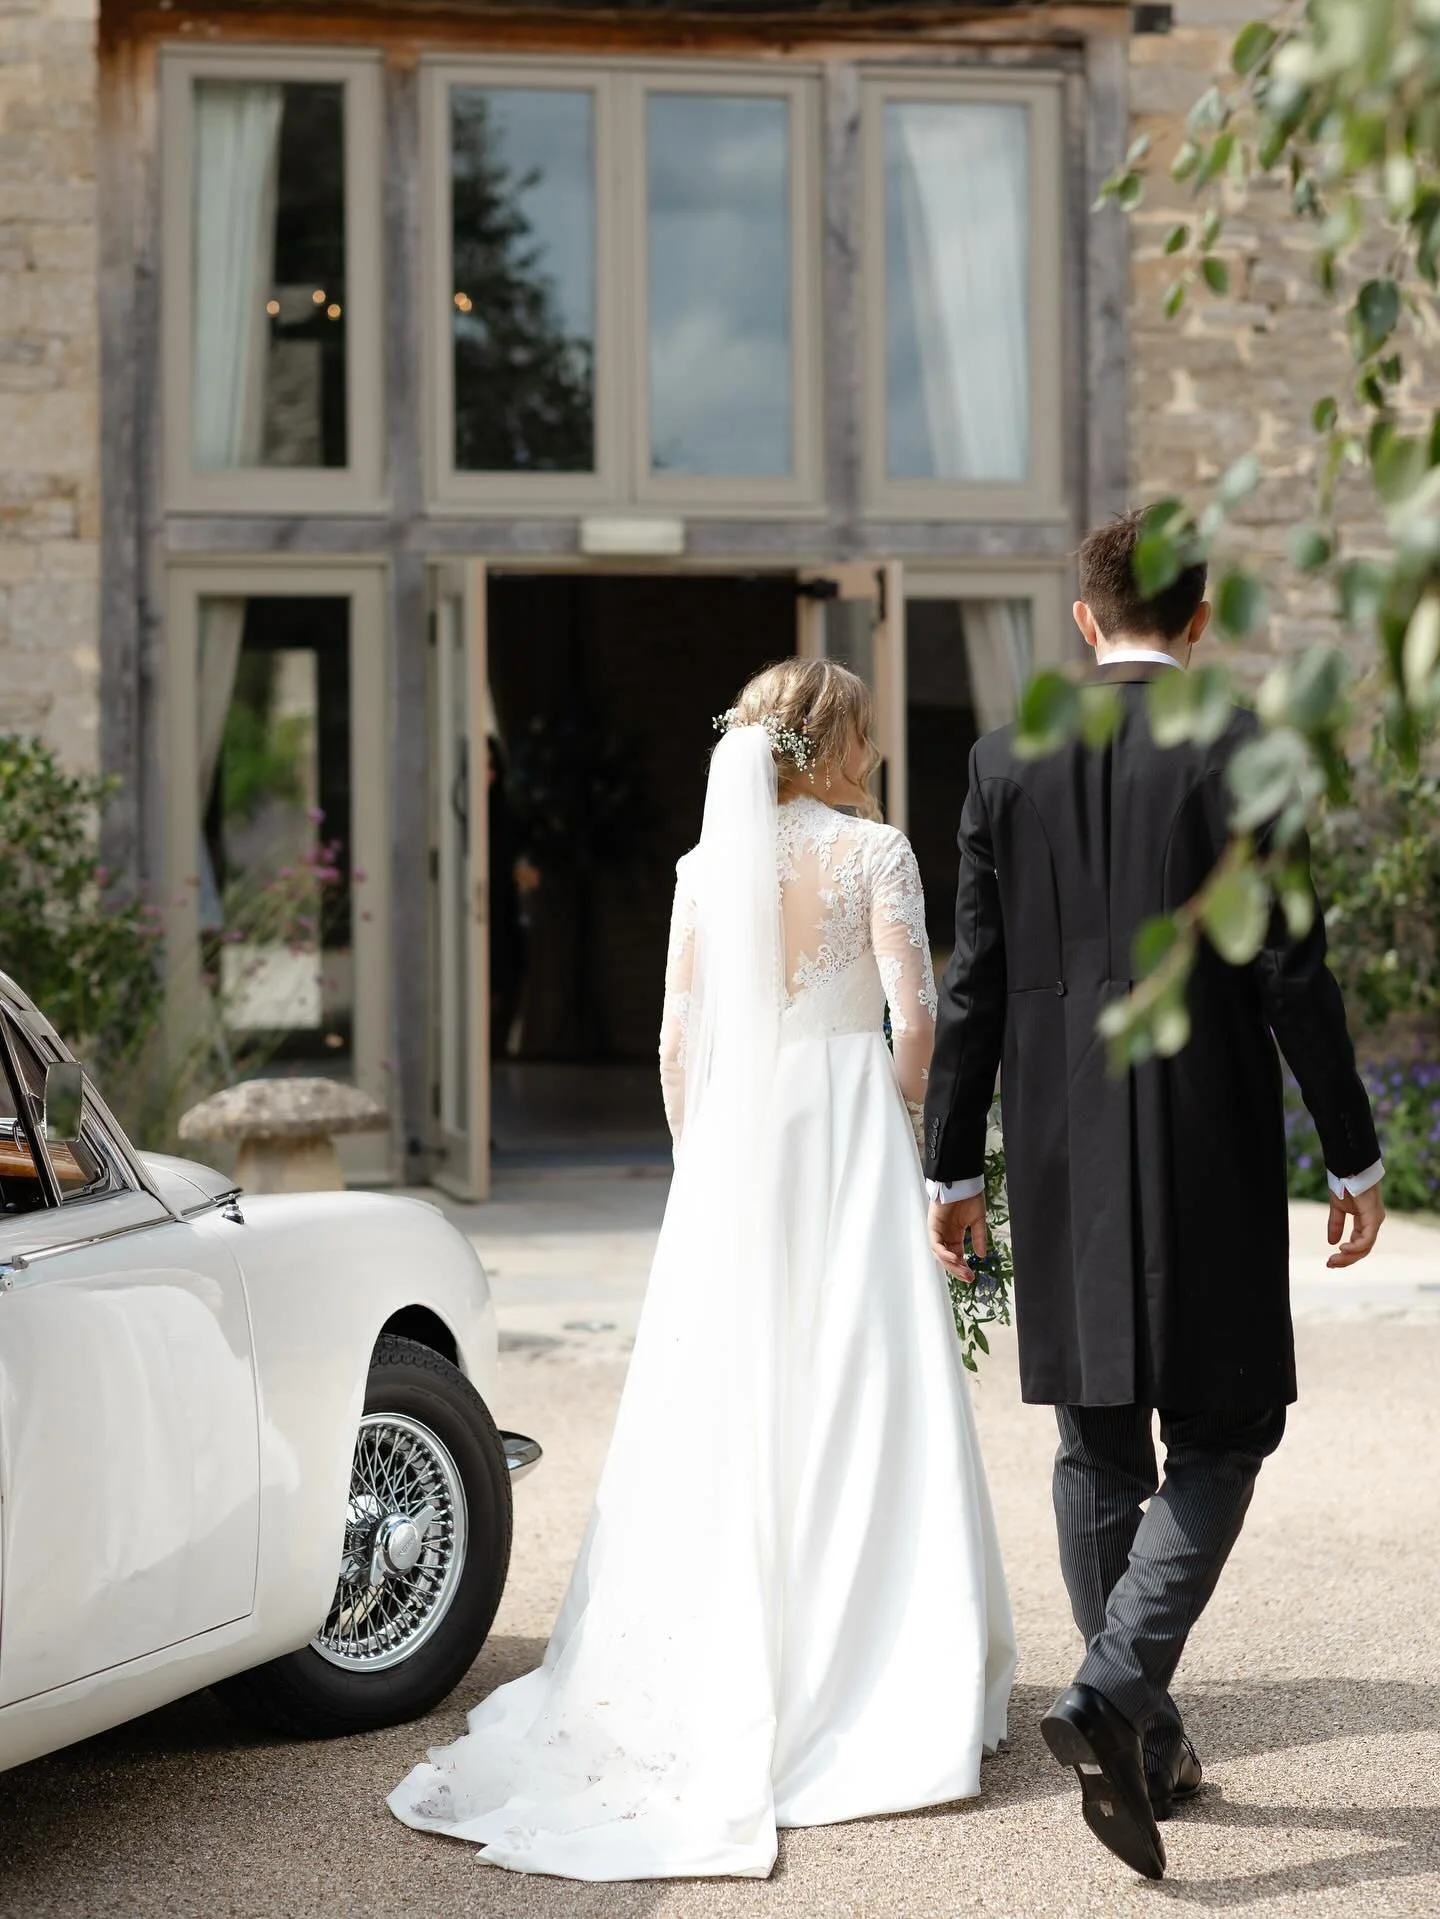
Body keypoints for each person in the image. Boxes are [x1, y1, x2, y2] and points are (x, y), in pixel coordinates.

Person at [389, 658, 1015, 1879]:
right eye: (866, 732)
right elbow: (917, 1016)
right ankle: (878, 1668)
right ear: (828, 743)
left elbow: (678, 1040)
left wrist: (707, 1158)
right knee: (861, 1390)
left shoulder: (697, 870)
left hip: (738, 1143)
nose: (878, 750)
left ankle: (712, 1665)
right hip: (841, 1129)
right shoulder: (875, 851)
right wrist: (894, 1118)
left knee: (729, 1402)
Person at [923, 509, 1384, 1882]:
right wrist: (1354, 1152)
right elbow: (1293, 971)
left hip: (1060, 1139)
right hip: (1206, 1133)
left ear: (1084, 622)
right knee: (1230, 1426)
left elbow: (974, 983)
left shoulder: (1001, 760)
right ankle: (1124, 1694)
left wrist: (950, 1162)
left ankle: (1142, 1724)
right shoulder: (1251, 753)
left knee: (1097, 1441)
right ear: (1199, 622)